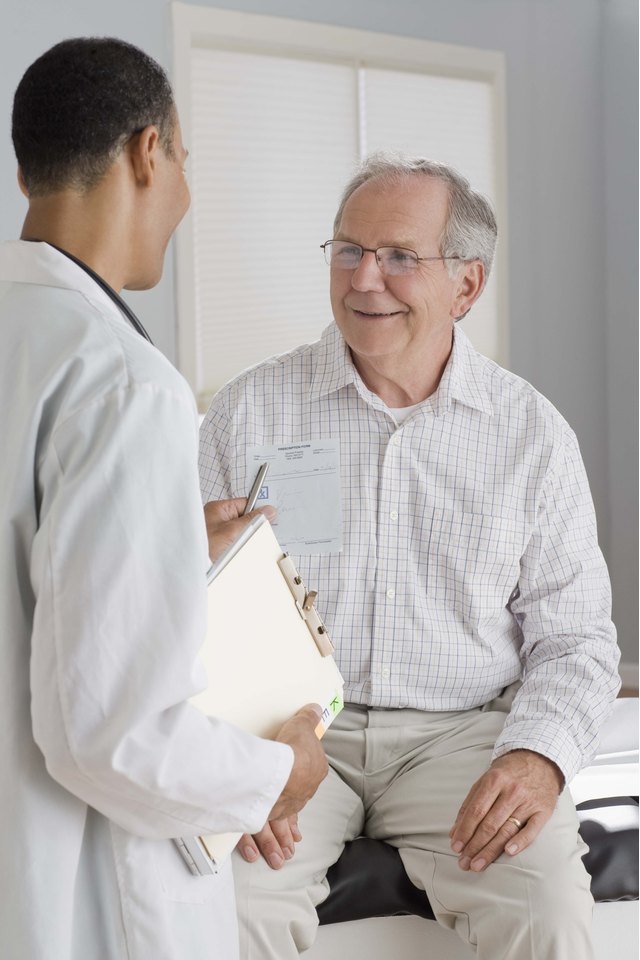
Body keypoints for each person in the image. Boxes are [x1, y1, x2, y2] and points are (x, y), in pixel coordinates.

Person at [199, 153, 621, 959]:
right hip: (289, 727)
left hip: (461, 738)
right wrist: (232, 751)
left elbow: (576, 640)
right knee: (225, 900)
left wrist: (538, 758)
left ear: (467, 285)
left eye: (399, 256)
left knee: (548, 911)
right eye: (349, 250)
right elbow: (188, 607)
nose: (365, 279)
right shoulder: (246, 410)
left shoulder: (531, 436)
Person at [0, 37, 327, 960]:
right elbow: (109, 735)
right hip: (96, 900)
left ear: (28, 171)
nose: (185, 189)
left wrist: (168, 538)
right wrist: (280, 772)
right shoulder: (124, 383)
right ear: (149, 152)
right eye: (184, 159)